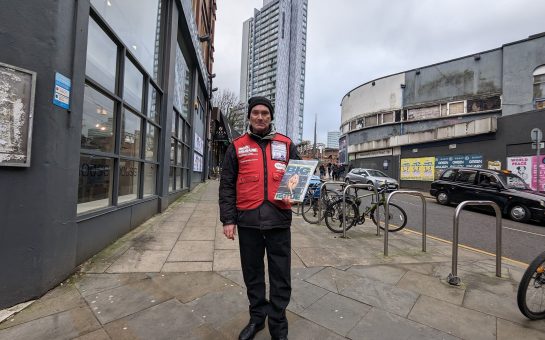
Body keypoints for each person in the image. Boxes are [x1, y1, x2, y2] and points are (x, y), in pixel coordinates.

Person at [219, 96, 299, 340]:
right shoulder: (237, 146)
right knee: (252, 274)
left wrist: (296, 193)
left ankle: (278, 327)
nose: (261, 117)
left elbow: (298, 176)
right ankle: (257, 319)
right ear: (249, 117)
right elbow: (227, 185)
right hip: (248, 221)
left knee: (280, 276)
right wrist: (228, 219)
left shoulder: (286, 144)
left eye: (265, 113)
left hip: (278, 221)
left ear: (271, 116)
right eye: (256, 113)